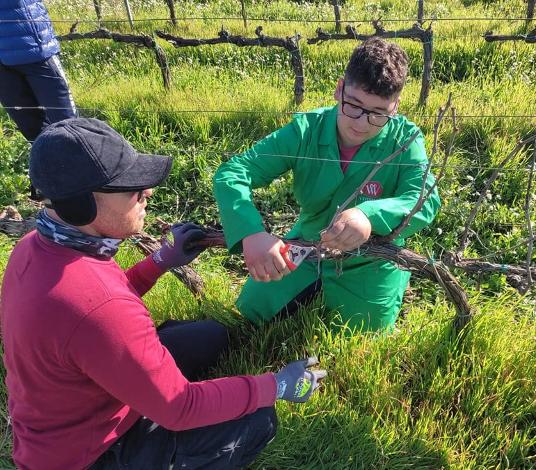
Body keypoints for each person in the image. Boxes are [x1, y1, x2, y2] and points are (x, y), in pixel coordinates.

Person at [0, 118, 326, 470]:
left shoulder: (37, 246)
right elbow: (180, 407)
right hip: (89, 455)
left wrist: (160, 261)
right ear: (84, 204)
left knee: (210, 336)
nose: (147, 193)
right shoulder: (99, 306)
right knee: (258, 419)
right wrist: (275, 386)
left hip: (73, 411)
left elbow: (99, 303)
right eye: (131, 188)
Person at [214, 37, 441, 332]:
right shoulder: (306, 130)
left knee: (363, 336)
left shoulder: (406, 140)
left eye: (378, 113)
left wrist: (369, 216)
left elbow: (425, 198)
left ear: (395, 106)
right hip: (308, 244)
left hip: (372, 259)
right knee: (252, 313)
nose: (361, 123)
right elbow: (234, 172)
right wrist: (251, 233)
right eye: (354, 105)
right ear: (339, 89)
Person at [0, 0, 77, 141]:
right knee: (32, 130)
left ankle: (80, 153)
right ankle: (49, 155)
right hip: (4, 64)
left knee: (68, 125)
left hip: (33, 48)